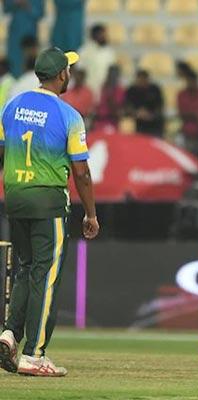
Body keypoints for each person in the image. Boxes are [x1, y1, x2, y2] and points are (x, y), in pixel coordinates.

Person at [0, 47, 99, 377]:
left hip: (15, 197)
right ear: (61, 75)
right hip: (48, 201)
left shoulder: (12, 106)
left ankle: (9, 334)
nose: (70, 74)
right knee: (47, 275)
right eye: (68, 69)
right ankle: (34, 354)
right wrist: (91, 214)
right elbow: (81, 173)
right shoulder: (69, 115)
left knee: (26, 269)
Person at [4, 0, 44, 77]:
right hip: (15, 34)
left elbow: (40, 13)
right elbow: (6, 8)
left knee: (30, 61)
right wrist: (15, 3)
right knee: (14, 62)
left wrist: (27, 5)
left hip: (30, 33)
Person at [77, 24, 116, 96]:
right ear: (94, 35)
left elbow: (112, 71)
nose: (104, 36)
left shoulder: (109, 52)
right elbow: (80, 70)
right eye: (101, 34)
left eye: (105, 34)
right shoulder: (84, 51)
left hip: (104, 90)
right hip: (88, 88)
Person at [124, 70, 164, 137]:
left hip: (154, 125)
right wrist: (136, 113)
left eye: (144, 80)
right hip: (137, 124)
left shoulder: (155, 90)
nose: (142, 82)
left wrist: (151, 115)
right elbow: (127, 106)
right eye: (140, 80)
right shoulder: (131, 90)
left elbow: (160, 106)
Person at [92, 64, 125, 133]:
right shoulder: (103, 87)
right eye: (111, 73)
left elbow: (116, 108)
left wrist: (110, 94)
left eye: (114, 74)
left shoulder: (120, 89)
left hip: (112, 121)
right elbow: (97, 103)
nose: (112, 76)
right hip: (100, 121)